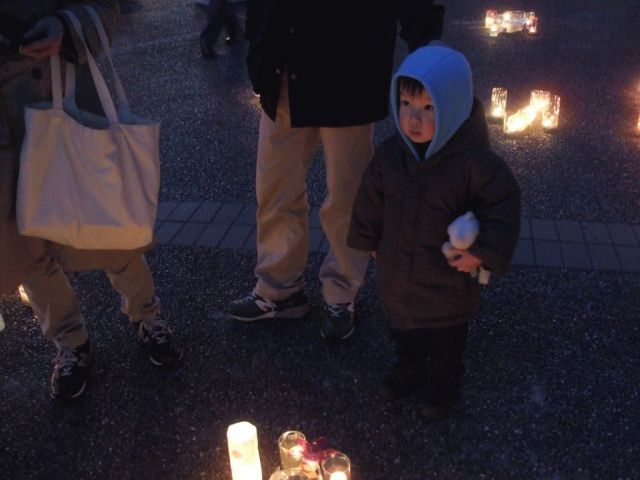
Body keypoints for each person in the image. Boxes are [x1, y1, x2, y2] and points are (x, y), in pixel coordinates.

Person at [227, 0, 446, 340]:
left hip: (348, 68)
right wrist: (258, 44)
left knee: (348, 196)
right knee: (275, 187)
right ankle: (280, 287)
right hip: (283, 66)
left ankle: (341, 293)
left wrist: (424, 40)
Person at [0, 0, 183, 401]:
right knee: (26, 246)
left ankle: (146, 314)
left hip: (66, 91)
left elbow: (106, 7)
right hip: (5, 127)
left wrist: (67, 27)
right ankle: (70, 341)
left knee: (110, 224)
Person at [347, 44, 521, 421]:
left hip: (448, 286)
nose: (414, 118)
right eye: (406, 104)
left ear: (453, 106)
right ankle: (409, 369)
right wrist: (369, 240)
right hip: (398, 276)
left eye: (428, 108)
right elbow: (370, 198)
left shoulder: (475, 163)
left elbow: (503, 205)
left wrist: (483, 251)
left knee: (446, 344)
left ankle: (444, 387)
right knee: (403, 333)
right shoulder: (391, 156)